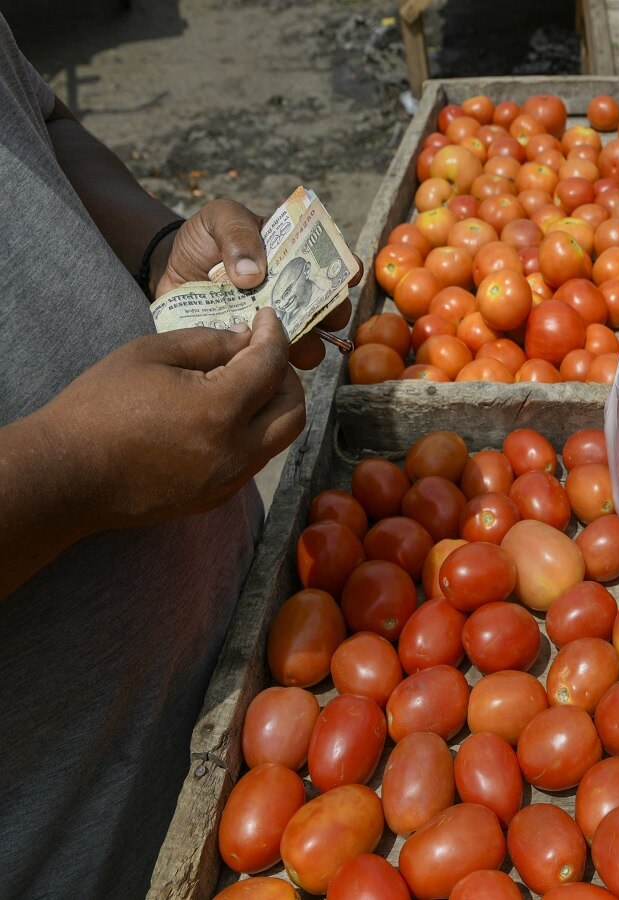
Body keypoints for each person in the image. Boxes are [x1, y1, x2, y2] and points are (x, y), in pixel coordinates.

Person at [0, 13, 358, 897]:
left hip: (232, 695)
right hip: (66, 841)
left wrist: (157, 250)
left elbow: (37, 118)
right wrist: (73, 472)